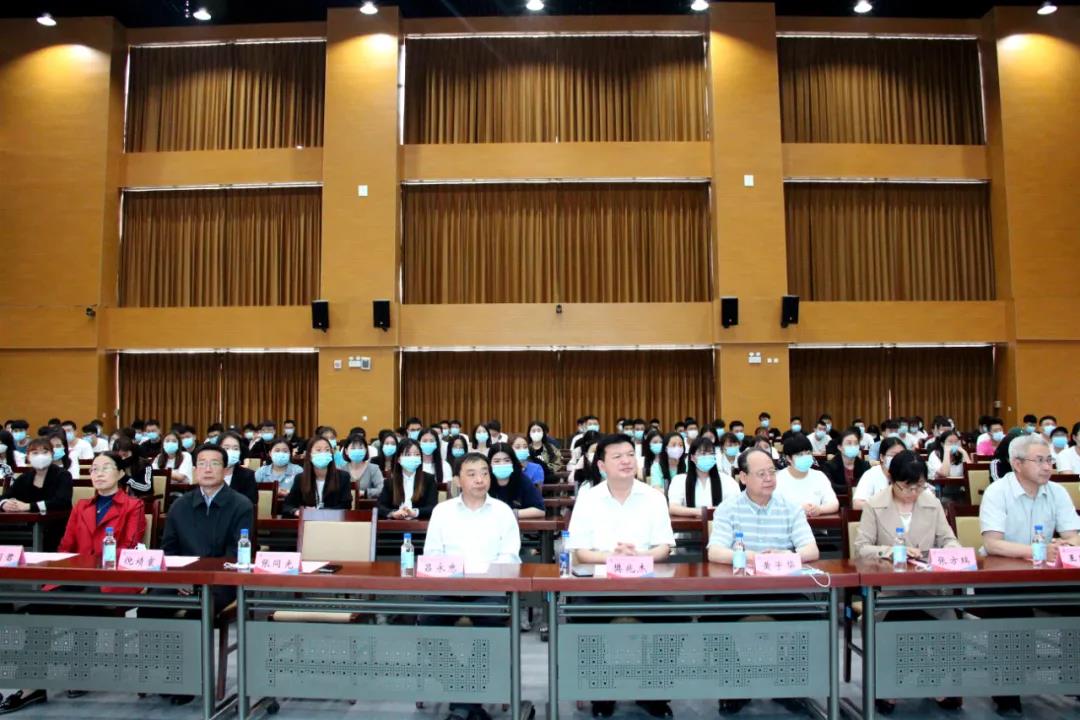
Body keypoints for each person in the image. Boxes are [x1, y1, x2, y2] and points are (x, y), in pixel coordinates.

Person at [566, 434, 675, 719]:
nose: (626, 461)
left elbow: (664, 547)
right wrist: (613, 557)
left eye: (629, 454)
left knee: (669, 617)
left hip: (645, 584)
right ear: (602, 465)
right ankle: (602, 693)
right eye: (617, 457)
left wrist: (640, 556)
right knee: (584, 618)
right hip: (600, 586)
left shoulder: (654, 497)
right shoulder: (588, 499)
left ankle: (653, 693)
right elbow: (580, 552)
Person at [979, 433, 1080, 716]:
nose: (1047, 467)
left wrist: (1065, 545)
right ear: (1017, 464)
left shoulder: (1057, 492)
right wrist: (1038, 550)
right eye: (1040, 461)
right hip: (1002, 576)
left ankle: (1074, 677)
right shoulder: (997, 492)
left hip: (1045, 575)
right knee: (1009, 612)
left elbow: (1074, 535)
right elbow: (993, 544)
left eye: (1050, 460)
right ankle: (1007, 694)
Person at [422, 452, 521, 720]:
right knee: (427, 623)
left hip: (488, 589)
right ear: (457, 480)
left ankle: (463, 706)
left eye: (484, 473)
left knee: (491, 626)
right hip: (448, 588)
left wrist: (483, 576)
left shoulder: (502, 512)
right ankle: (468, 700)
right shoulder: (442, 512)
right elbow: (432, 554)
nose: (480, 479)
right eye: (472, 474)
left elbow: (510, 557)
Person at [0, 437, 73, 550]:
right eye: (35, 453)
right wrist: (4, 503)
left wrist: (28, 506)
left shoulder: (63, 475)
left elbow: (62, 501)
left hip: (57, 527)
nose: (40, 456)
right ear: (28, 457)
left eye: (44, 452)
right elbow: (5, 496)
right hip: (28, 528)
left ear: (52, 454)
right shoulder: (24, 478)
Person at [668, 437, 739, 518]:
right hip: (690, 525)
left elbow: (735, 506)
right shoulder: (679, 480)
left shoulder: (727, 480)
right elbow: (673, 508)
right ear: (692, 457)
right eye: (703, 453)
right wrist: (701, 512)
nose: (707, 456)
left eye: (711, 453)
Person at [282, 436, 353, 517]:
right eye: (318, 450)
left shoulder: (343, 477)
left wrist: (319, 511)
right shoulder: (300, 478)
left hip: (333, 521)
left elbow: (346, 506)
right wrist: (298, 511)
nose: (323, 453)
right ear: (310, 454)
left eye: (327, 450)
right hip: (308, 521)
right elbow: (287, 506)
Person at [775, 434, 838, 517]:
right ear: (788, 458)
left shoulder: (819, 476)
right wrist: (797, 509)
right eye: (800, 454)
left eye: (808, 453)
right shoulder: (778, 478)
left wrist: (820, 509)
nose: (805, 457)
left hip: (816, 523)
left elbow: (834, 503)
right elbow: (772, 508)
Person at [377, 438, 438, 520]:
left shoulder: (429, 479)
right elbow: (380, 507)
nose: (412, 457)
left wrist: (415, 512)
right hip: (395, 525)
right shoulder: (390, 482)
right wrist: (393, 513)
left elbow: (432, 507)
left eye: (416, 454)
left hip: (420, 525)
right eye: (408, 454)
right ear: (399, 459)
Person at [487, 443, 545, 519]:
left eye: (507, 460)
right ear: (489, 464)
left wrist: (511, 513)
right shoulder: (485, 481)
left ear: (513, 462)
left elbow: (540, 510)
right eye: (496, 461)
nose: (502, 464)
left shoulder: (522, 480)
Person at [822, 428, 871, 496]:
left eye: (856, 443)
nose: (853, 446)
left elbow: (869, 486)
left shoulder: (865, 465)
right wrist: (852, 489)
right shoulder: (829, 466)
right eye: (849, 443)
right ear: (840, 447)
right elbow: (830, 486)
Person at [926, 429, 970, 502]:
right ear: (942, 444)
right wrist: (947, 452)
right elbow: (945, 473)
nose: (954, 444)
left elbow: (971, 473)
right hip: (941, 492)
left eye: (956, 442)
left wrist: (964, 452)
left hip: (960, 491)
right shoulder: (935, 455)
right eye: (950, 442)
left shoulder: (960, 455)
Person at [219, 432, 258, 508]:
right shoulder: (209, 473)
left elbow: (250, 504)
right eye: (226, 448)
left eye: (235, 449)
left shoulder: (248, 476)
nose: (231, 452)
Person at [340, 432, 383, 500]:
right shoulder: (341, 470)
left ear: (366, 450)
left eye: (360, 448)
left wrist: (364, 493)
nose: (357, 451)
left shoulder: (374, 468)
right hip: (345, 505)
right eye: (353, 448)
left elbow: (382, 489)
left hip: (368, 505)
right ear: (346, 451)